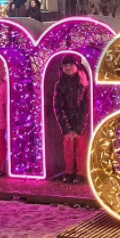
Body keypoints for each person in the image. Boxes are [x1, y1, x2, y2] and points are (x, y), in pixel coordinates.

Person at [53, 54, 91, 184]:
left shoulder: (84, 84)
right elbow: (58, 107)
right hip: (68, 123)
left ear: (77, 66)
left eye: (71, 65)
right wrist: (67, 128)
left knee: (81, 148)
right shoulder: (59, 85)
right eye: (65, 65)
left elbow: (86, 107)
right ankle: (69, 172)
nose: (68, 67)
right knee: (68, 148)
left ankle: (81, 173)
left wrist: (79, 128)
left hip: (82, 123)